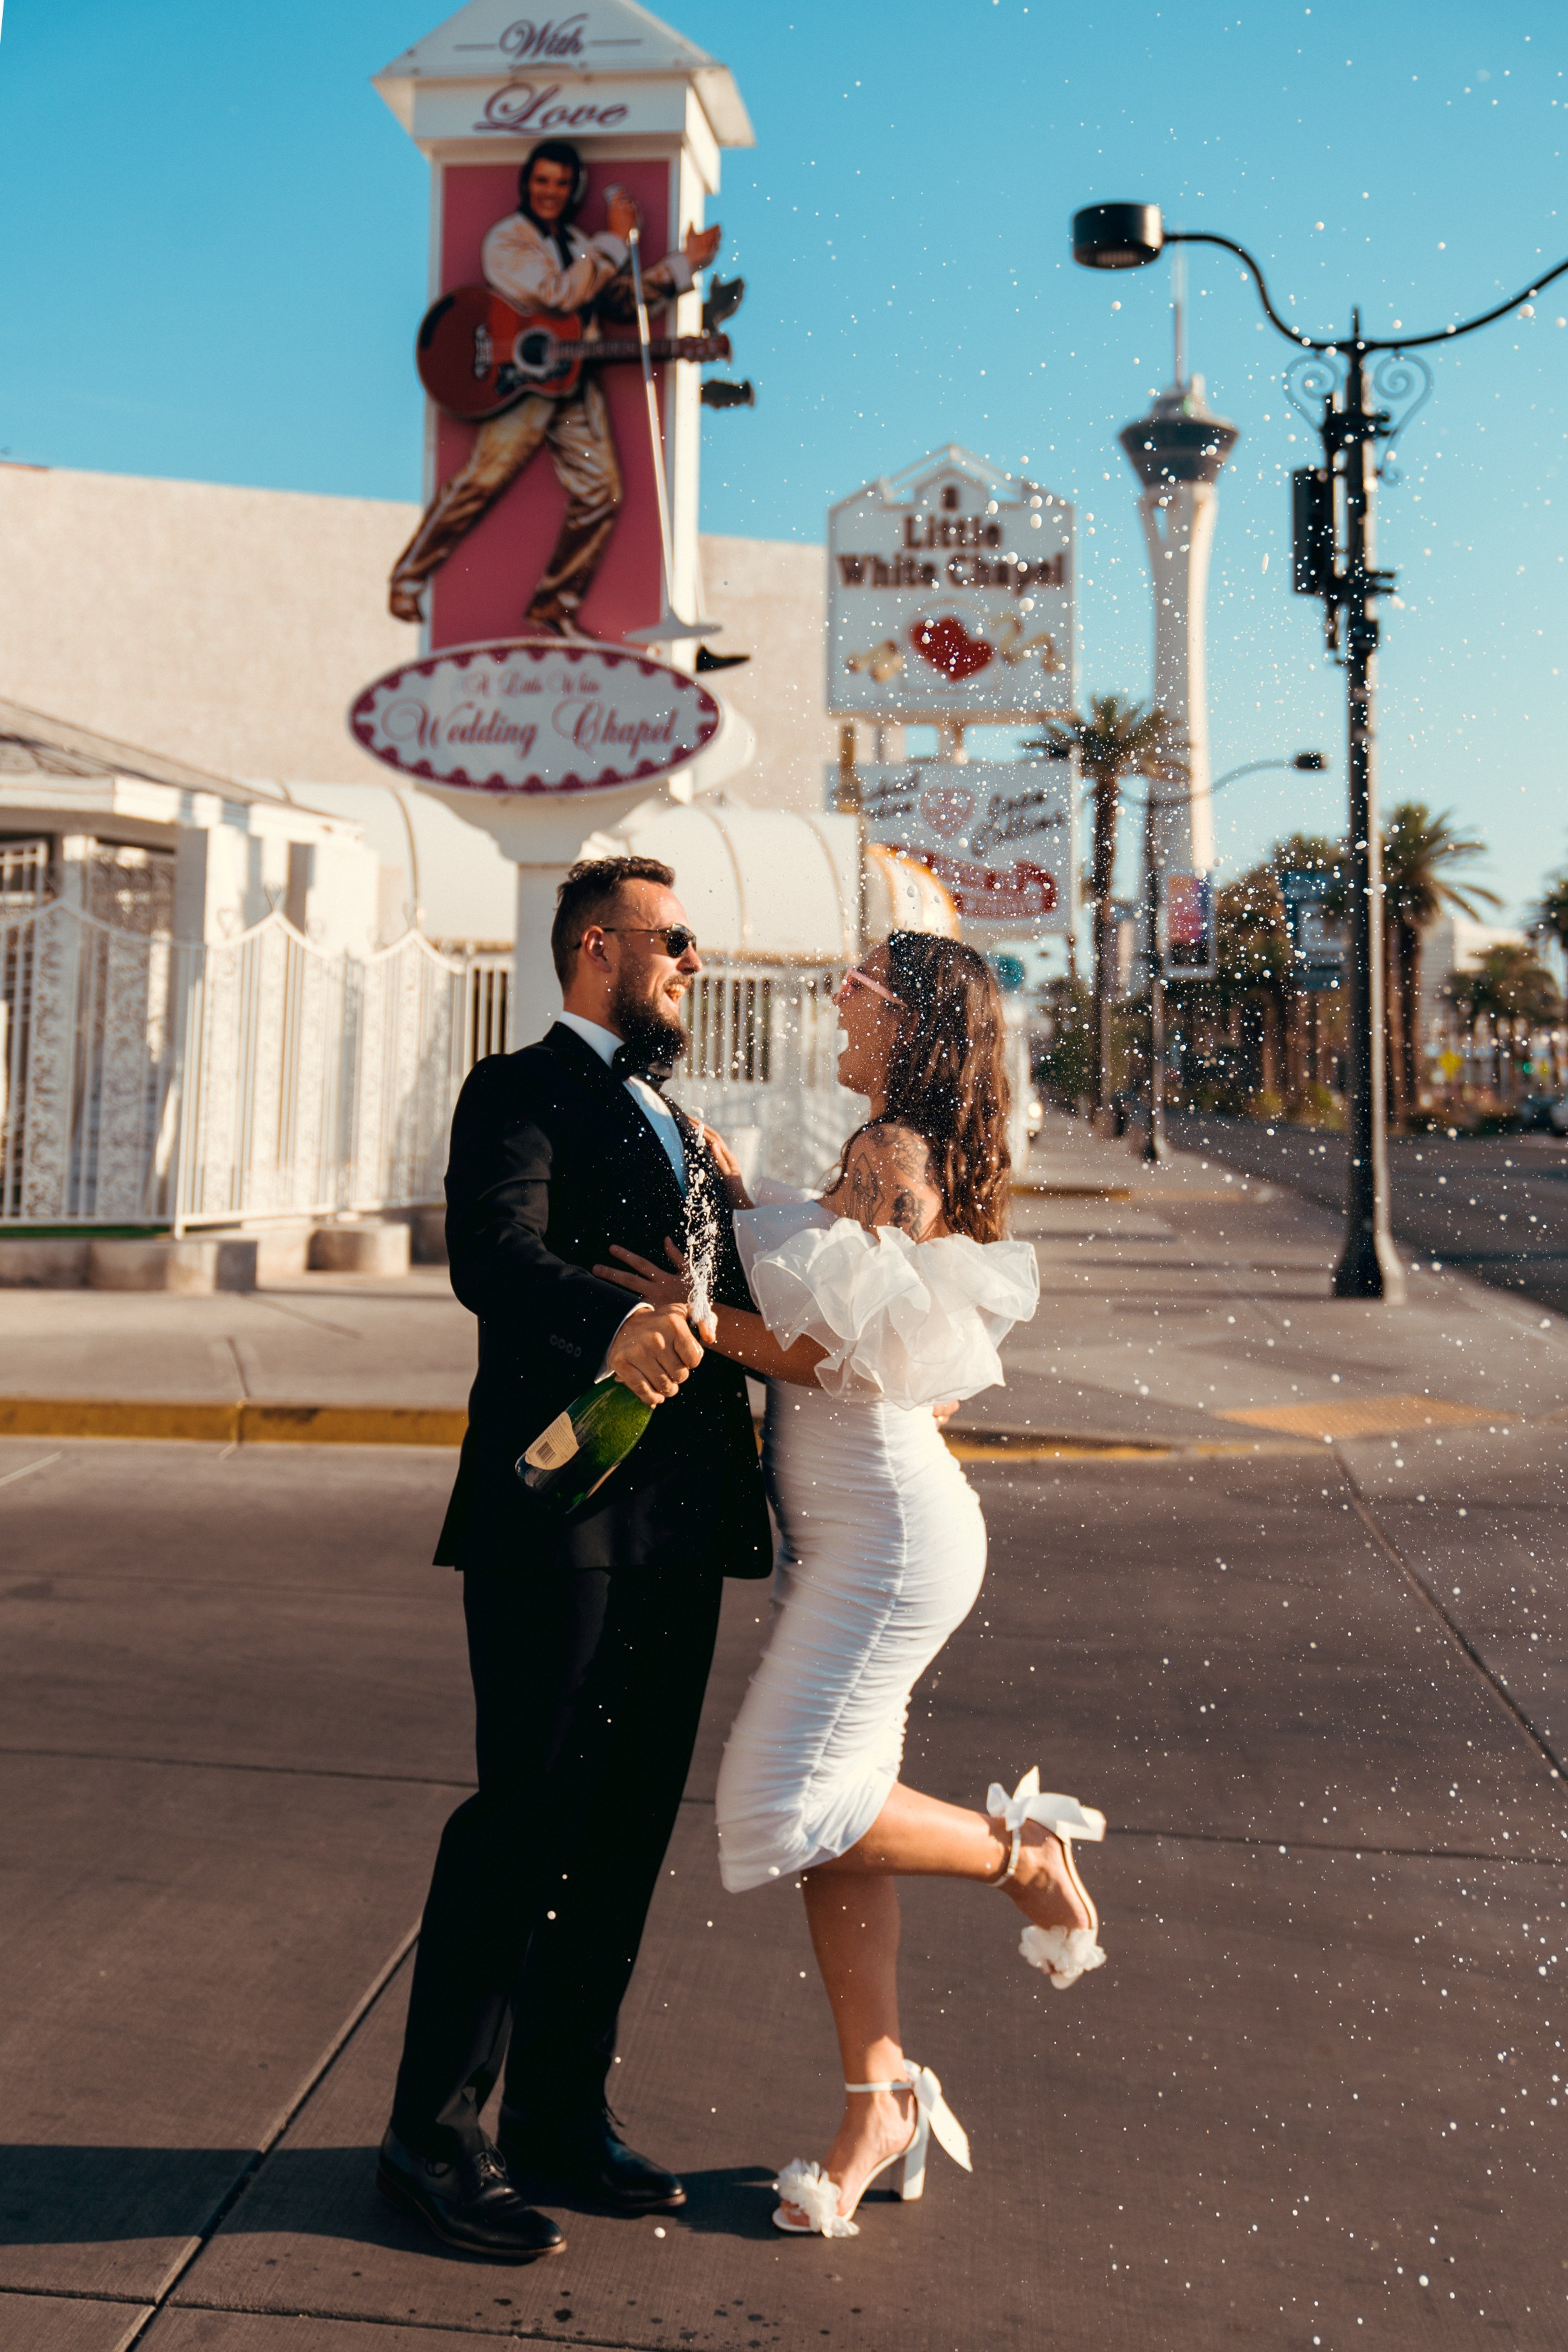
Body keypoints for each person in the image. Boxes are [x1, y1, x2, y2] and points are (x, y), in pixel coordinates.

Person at [597, 931, 1105, 2242]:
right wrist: (735, 1186)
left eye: (860, 985)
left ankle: (1021, 1856)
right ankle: (880, 2103)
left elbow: (836, 1356)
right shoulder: (890, 1148)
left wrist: (695, 1317)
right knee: (835, 1831)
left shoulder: (892, 1151)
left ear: (908, 1019)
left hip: (885, 1542)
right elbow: (872, 1312)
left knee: (783, 1803)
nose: (837, 996)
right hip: (858, 1537)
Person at [378, 855, 771, 2262]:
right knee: (527, 1820)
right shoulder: (518, 1088)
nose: (692, 964)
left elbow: (725, 1302)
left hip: (680, 1527)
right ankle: (433, 2140)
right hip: (562, 1519)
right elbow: (491, 1254)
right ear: (599, 946)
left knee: (623, 1827)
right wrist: (606, 1327)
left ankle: (557, 2114)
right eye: (676, 940)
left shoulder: (678, 1121)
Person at [388, 139, 721, 631]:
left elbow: (615, 301)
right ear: (526, 184)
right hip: (518, 384)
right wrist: (614, 241)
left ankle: (553, 605)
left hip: (573, 383)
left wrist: (683, 264)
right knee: (479, 483)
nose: (551, 191)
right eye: (543, 181)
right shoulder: (507, 239)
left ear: (574, 189)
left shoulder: (578, 242)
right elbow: (557, 295)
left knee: (601, 493)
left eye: (562, 184)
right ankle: (409, 578)